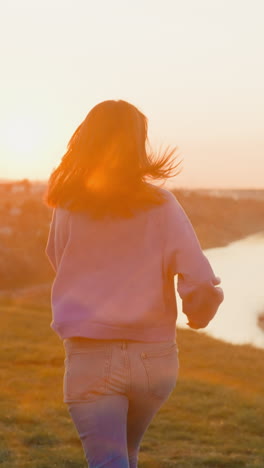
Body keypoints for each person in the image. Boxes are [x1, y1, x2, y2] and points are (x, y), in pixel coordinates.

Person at [44, 99, 224, 468]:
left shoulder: (68, 205)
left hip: (90, 355)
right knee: (126, 455)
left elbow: (57, 261)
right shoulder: (163, 204)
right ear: (138, 143)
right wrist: (199, 315)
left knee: (110, 462)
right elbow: (200, 279)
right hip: (154, 360)